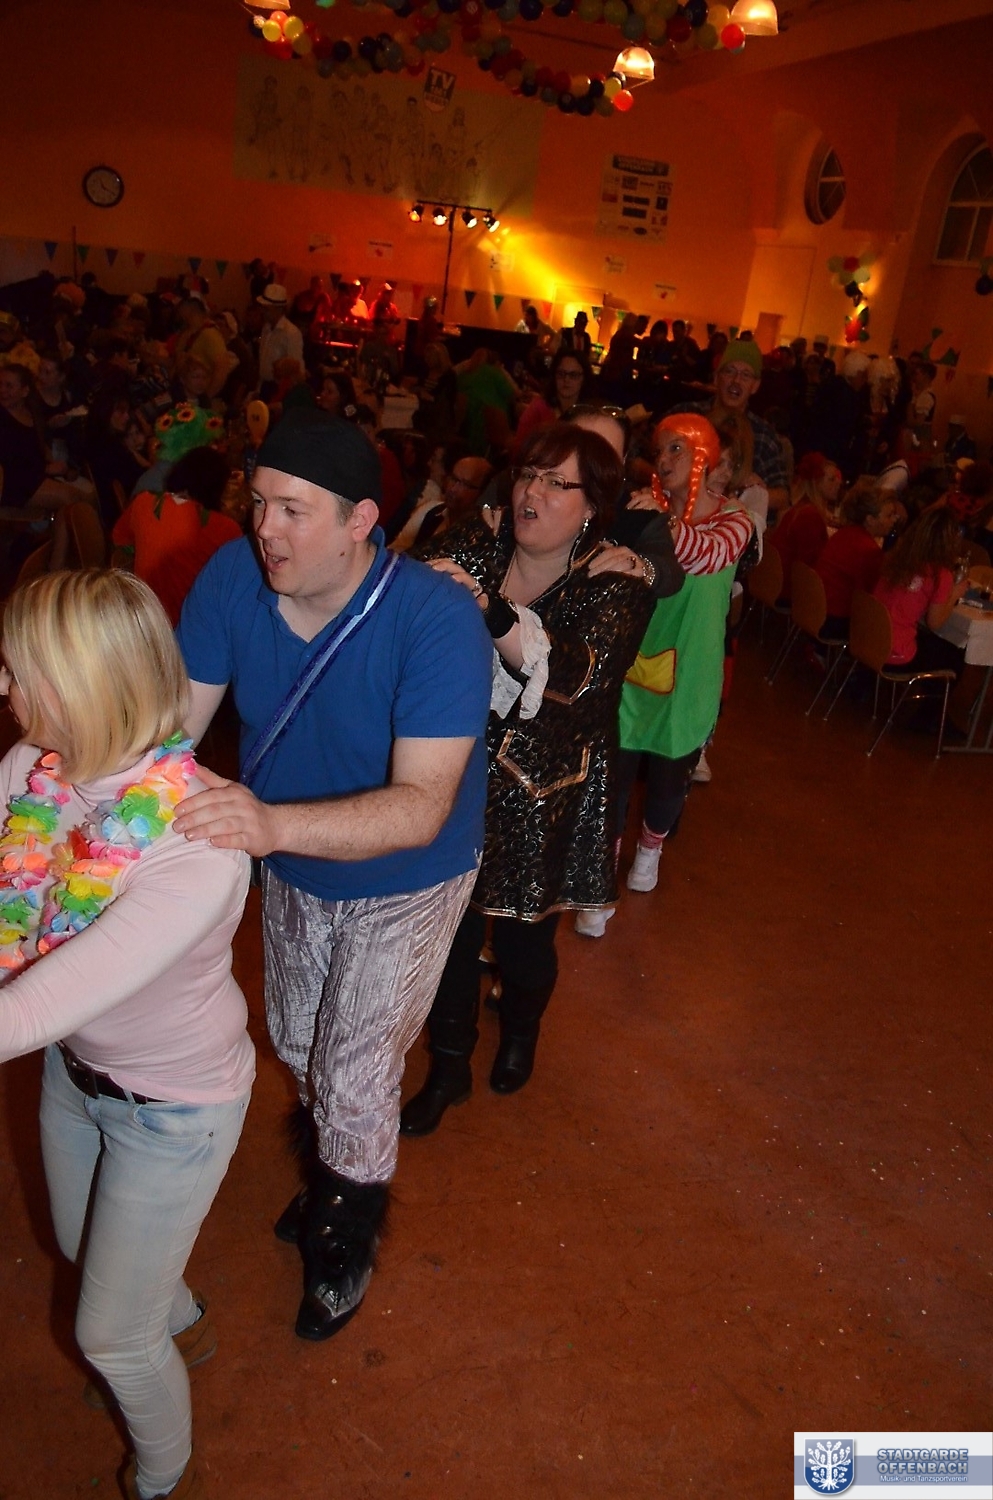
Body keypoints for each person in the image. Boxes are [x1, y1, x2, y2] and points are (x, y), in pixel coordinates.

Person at [172, 408, 492, 1342]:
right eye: (257, 502)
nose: (263, 528)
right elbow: (172, 737)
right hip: (295, 857)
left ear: (360, 522)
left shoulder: (435, 619)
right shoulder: (231, 578)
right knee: (297, 1038)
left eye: (292, 510)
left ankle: (345, 1228)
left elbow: (420, 806)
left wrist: (266, 824)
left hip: (414, 871)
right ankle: (331, 1171)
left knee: (354, 1068)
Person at [0, 569, 254, 1500]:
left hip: (176, 1111)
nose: (3, 686)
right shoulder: (31, 769)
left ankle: (162, 1477)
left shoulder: (198, 841)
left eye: (17, 669)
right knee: (81, 1249)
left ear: (81, 683)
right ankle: (176, 1319)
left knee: (109, 1335)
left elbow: (30, 1008)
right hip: (75, 1077)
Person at [399, 423, 657, 1134]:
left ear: (591, 505)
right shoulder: (480, 541)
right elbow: (400, 590)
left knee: (522, 942)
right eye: (528, 475)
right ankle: (449, 1066)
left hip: (545, 788)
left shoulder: (618, 578)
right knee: (449, 930)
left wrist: (487, 608)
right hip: (454, 772)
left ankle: (520, 1031)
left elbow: (581, 676)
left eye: (555, 482)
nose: (531, 493)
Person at [580, 413, 753, 934]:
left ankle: (650, 851)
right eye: (661, 449)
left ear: (705, 457)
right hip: (633, 666)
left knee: (668, 780)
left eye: (678, 448)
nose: (664, 459)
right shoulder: (641, 509)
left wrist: (662, 523)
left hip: (692, 674)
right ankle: (599, 887)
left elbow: (704, 555)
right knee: (614, 777)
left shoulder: (737, 521)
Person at [112, 447, 243, 625]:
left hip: (144, 618)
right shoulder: (225, 528)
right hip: (191, 625)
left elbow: (121, 541)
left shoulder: (143, 502)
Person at [669, 339, 790, 515]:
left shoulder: (764, 436)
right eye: (729, 371)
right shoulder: (686, 416)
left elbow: (783, 496)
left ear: (755, 386)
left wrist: (748, 492)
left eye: (745, 375)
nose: (736, 381)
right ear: (716, 377)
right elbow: (638, 462)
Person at [873, 505, 968, 674]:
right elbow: (934, 623)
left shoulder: (896, 558)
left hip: (867, 637)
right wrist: (954, 594)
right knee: (955, 657)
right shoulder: (940, 574)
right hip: (894, 651)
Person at [816, 478, 902, 637]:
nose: (894, 520)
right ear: (870, 520)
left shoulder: (843, 534)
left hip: (815, 609)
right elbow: (873, 597)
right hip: (834, 620)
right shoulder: (869, 551)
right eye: (889, 515)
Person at [769, 451, 842, 601]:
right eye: (831, 479)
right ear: (817, 483)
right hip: (788, 590)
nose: (838, 483)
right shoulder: (809, 516)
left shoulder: (801, 509)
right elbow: (809, 568)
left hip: (777, 582)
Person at [515, 348, 595, 446]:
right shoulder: (538, 408)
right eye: (561, 374)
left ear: (584, 379)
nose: (566, 379)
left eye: (573, 375)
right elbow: (520, 447)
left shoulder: (590, 414)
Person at [257, 285, 305, 388]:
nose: (262, 312)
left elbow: (296, 369)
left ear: (279, 309)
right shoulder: (266, 328)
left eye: (267, 309)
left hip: (280, 388)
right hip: (265, 386)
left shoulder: (291, 333)